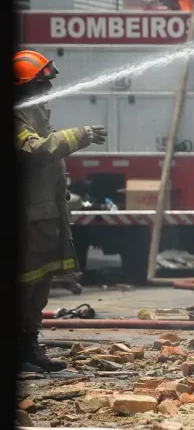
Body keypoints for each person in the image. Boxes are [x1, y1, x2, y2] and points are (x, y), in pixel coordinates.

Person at [14, 50, 108, 372]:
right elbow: (36, 150)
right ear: (24, 87)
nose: (49, 90)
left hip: (41, 218)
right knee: (23, 287)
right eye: (42, 84)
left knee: (37, 288)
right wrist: (79, 135)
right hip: (25, 221)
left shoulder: (32, 112)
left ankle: (28, 348)